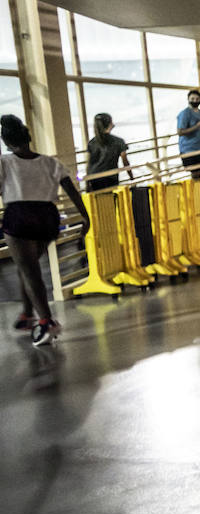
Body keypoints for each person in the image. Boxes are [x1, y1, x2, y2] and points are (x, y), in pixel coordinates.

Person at [0, 115, 91, 345]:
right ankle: (27, 315)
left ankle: (46, 322)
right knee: (27, 267)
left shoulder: (5, 162)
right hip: (47, 218)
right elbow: (70, 188)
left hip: (20, 217)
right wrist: (85, 216)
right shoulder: (51, 162)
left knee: (30, 271)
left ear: (6, 141)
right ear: (28, 137)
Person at [85, 113, 132, 191]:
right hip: (111, 178)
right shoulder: (118, 141)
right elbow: (125, 162)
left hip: (94, 179)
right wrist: (131, 177)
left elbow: (89, 164)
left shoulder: (92, 143)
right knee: (110, 200)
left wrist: (87, 182)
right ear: (109, 124)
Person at [176, 90, 200, 179]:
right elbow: (180, 132)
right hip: (189, 149)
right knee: (196, 175)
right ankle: (197, 192)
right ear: (188, 99)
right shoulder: (185, 113)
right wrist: (196, 126)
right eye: (192, 98)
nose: (195, 101)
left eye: (197, 99)